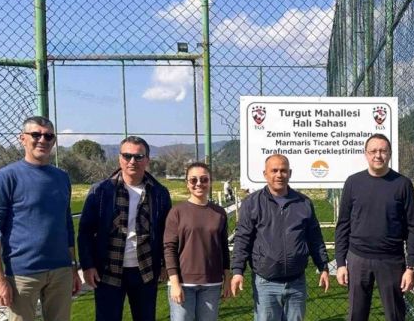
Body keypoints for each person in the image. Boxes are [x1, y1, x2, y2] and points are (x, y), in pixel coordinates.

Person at [0, 116, 81, 321]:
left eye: (48, 136)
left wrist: (72, 267)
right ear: (23, 139)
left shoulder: (62, 177)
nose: (42, 140)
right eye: (36, 135)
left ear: (53, 141)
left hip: (61, 271)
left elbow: (67, 226)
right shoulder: (5, 178)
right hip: (22, 274)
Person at [78, 136, 172, 321]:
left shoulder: (159, 193)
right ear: (119, 158)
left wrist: (165, 264)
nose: (132, 161)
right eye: (127, 156)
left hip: (145, 270)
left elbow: (166, 232)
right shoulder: (100, 191)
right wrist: (88, 265)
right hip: (108, 270)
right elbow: (85, 231)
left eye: (138, 156)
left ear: (147, 160)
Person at [230, 154, 330, 321]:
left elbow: (315, 238)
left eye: (283, 170)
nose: (279, 175)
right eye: (274, 170)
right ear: (265, 174)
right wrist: (237, 271)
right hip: (265, 283)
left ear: (289, 173)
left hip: (297, 282)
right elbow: (242, 239)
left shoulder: (303, 203)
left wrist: (323, 267)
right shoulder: (252, 203)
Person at [335, 133, 414, 321]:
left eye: (383, 151)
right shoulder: (353, 183)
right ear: (366, 154)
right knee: (356, 315)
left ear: (389, 154)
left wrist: (410, 266)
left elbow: (412, 228)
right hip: (358, 259)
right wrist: (341, 263)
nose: (378, 155)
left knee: (395, 315)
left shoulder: (403, 184)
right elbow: (343, 225)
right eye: (373, 151)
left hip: (391, 260)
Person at [164, 162, 231, 320]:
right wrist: (174, 283)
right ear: (187, 183)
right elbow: (169, 248)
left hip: (212, 283)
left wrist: (227, 278)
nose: (199, 183)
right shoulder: (177, 212)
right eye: (193, 180)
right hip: (183, 283)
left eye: (204, 179)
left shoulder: (219, 213)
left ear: (210, 182)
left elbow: (223, 248)